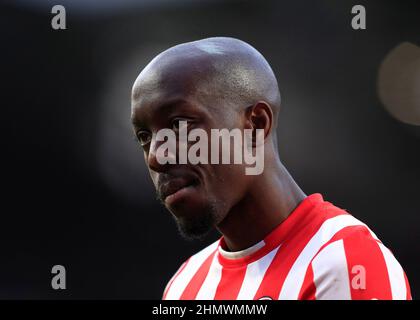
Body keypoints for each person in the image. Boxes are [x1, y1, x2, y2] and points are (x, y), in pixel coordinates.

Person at [130, 37, 412, 300]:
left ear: (256, 124)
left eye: (181, 124)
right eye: (145, 137)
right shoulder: (184, 286)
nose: (157, 156)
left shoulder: (343, 262)